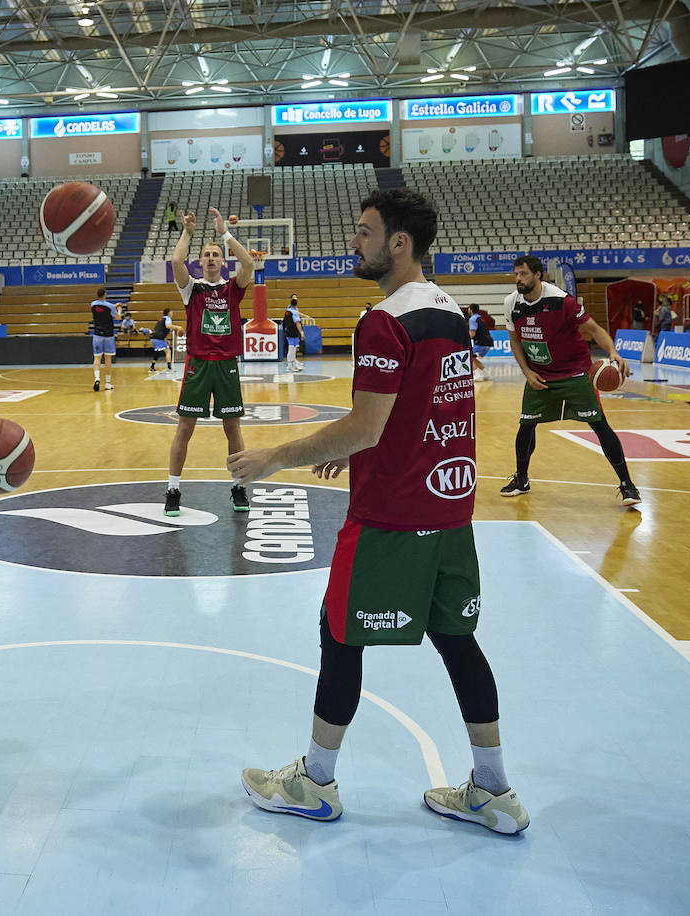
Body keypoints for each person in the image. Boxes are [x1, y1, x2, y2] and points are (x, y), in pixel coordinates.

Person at [225, 187, 529, 834]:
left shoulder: (385, 320)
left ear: (399, 242)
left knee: (339, 636)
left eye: (364, 232)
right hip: (450, 507)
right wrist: (357, 446)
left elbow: (367, 426)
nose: (353, 242)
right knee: (457, 641)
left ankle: (316, 780)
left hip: (394, 513)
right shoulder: (447, 311)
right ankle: (494, 790)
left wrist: (277, 456)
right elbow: (410, 412)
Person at [501, 255, 641, 507]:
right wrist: (527, 372)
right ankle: (521, 479)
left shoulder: (562, 301)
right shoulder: (511, 303)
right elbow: (515, 341)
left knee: (600, 425)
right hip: (540, 375)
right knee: (526, 425)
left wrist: (613, 352)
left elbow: (595, 330)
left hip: (575, 373)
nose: (518, 279)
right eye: (515, 274)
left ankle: (627, 485)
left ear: (537, 275)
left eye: (523, 274)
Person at [166, 206, 255, 516]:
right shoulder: (192, 289)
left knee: (232, 427)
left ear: (222, 260)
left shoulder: (233, 289)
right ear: (201, 261)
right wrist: (188, 232)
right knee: (184, 428)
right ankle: (173, 489)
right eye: (207, 255)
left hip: (227, 364)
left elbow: (248, 262)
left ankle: (239, 486)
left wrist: (225, 234)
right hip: (198, 364)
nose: (212, 258)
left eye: (216, 254)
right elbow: (177, 260)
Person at [89, 286, 116, 391]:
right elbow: (116, 316)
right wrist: (118, 309)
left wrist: (113, 306)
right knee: (108, 359)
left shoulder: (93, 305)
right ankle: (108, 383)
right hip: (108, 335)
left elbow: (102, 309)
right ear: (105, 294)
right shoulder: (110, 306)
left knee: (97, 358)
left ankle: (97, 378)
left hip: (97, 335)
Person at [282, 295, 311, 373]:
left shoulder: (288, 310)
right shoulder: (293, 312)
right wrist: (301, 332)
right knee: (291, 348)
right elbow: (297, 323)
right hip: (292, 332)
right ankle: (290, 366)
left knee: (294, 348)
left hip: (288, 331)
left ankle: (292, 364)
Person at [468, 303, 494, 381]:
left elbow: (472, 333)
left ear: (471, 310)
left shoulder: (472, 319)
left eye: (469, 308)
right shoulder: (481, 318)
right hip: (488, 342)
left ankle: (477, 375)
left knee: (470, 357)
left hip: (481, 342)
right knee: (474, 358)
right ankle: (486, 374)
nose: (468, 310)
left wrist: (464, 339)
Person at [149, 307, 173, 373]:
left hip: (153, 337)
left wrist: (166, 340)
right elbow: (168, 326)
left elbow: (160, 330)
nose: (172, 313)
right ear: (169, 313)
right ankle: (169, 368)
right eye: (171, 312)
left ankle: (152, 367)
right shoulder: (168, 318)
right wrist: (177, 328)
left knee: (157, 352)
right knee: (168, 351)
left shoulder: (161, 319)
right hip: (158, 337)